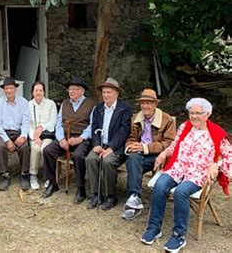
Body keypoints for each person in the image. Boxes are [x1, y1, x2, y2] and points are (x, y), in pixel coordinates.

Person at [141, 98, 231, 252]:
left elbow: (229, 156)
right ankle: (154, 228)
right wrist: (163, 153)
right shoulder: (185, 126)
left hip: (197, 174)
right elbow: (175, 145)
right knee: (160, 185)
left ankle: (178, 235)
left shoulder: (216, 132)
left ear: (207, 114)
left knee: (181, 192)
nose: (194, 116)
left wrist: (216, 165)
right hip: (178, 168)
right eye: (191, 113)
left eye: (198, 113)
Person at [122, 89, 176, 220]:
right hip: (140, 153)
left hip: (158, 156)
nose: (145, 106)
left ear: (155, 105)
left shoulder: (167, 119)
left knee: (134, 162)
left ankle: (134, 199)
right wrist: (130, 146)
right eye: (143, 103)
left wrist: (145, 147)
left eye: (149, 103)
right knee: (132, 159)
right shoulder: (135, 118)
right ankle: (134, 197)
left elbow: (169, 143)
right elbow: (131, 137)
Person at [42, 77, 96, 202]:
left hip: (82, 138)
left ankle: (80, 188)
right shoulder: (65, 103)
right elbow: (59, 123)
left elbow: (92, 125)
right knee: (48, 150)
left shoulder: (91, 104)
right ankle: (51, 183)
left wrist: (80, 138)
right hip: (65, 137)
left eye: (74, 89)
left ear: (81, 91)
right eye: (70, 89)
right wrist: (61, 139)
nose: (71, 92)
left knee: (77, 156)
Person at [85, 77, 132, 210]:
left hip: (116, 147)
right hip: (100, 144)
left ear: (116, 93)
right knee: (90, 159)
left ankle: (110, 195)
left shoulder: (124, 108)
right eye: (104, 92)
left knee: (107, 162)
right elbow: (94, 128)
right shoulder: (98, 108)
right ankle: (96, 194)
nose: (105, 95)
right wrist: (96, 144)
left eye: (109, 92)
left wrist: (111, 147)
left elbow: (124, 131)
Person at [0, 77, 30, 191]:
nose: (8, 90)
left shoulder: (23, 102)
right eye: (6, 88)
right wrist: (7, 140)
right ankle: (5, 176)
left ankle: (24, 174)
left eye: (11, 88)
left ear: (15, 89)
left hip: (18, 132)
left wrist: (23, 135)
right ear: (4, 90)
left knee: (24, 147)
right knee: (0, 147)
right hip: (4, 133)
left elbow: (26, 121)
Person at [28, 81, 57, 190]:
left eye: (41, 90)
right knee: (35, 148)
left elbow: (53, 122)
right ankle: (33, 175)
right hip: (34, 135)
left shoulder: (51, 104)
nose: (39, 92)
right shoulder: (29, 105)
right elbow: (27, 124)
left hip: (47, 135)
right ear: (32, 92)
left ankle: (48, 176)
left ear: (44, 92)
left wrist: (41, 127)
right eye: (36, 90)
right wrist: (34, 136)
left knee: (44, 149)